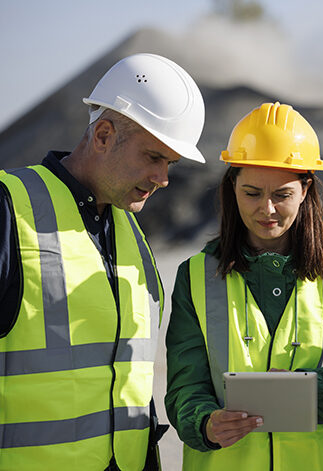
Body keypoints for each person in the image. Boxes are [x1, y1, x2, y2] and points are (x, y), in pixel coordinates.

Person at [0, 53, 206, 471]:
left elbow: (126, 375)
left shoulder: (131, 232)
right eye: (153, 157)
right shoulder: (10, 208)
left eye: (171, 163)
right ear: (104, 135)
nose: (164, 178)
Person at [165, 101, 323, 470]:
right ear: (231, 187)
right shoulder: (195, 276)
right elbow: (185, 387)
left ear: (305, 190)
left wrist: (308, 389)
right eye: (252, 193)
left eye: (282, 195)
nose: (266, 209)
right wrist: (205, 424)